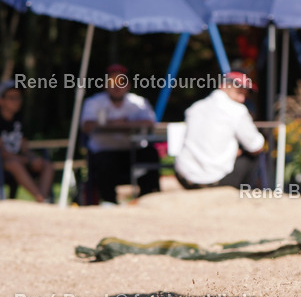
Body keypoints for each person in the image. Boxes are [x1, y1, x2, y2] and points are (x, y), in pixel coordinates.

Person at [80, 64, 159, 205]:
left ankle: (148, 200)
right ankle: (109, 202)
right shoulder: (94, 102)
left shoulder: (138, 102)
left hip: (132, 150)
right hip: (104, 152)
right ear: (105, 85)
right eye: (112, 82)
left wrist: (122, 124)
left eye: (121, 82)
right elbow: (87, 125)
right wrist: (117, 123)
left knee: (150, 155)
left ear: (128, 85)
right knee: (104, 162)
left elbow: (150, 122)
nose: (116, 86)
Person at [174, 72, 265, 189]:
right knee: (251, 157)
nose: (242, 99)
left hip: (185, 176)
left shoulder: (195, 107)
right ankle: (242, 198)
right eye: (239, 92)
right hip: (216, 179)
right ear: (224, 86)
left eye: (245, 95)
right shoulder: (236, 110)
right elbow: (255, 146)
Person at [0, 80, 54, 202]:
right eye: (12, 98)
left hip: (18, 161)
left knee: (46, 164)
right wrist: (27, 161)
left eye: (18, 97)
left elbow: (24, 148)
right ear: (0, 100)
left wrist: (33, 159)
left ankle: (44, 200)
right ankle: (40, 198)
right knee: (14, 164)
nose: (17, 101)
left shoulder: (20, 121)